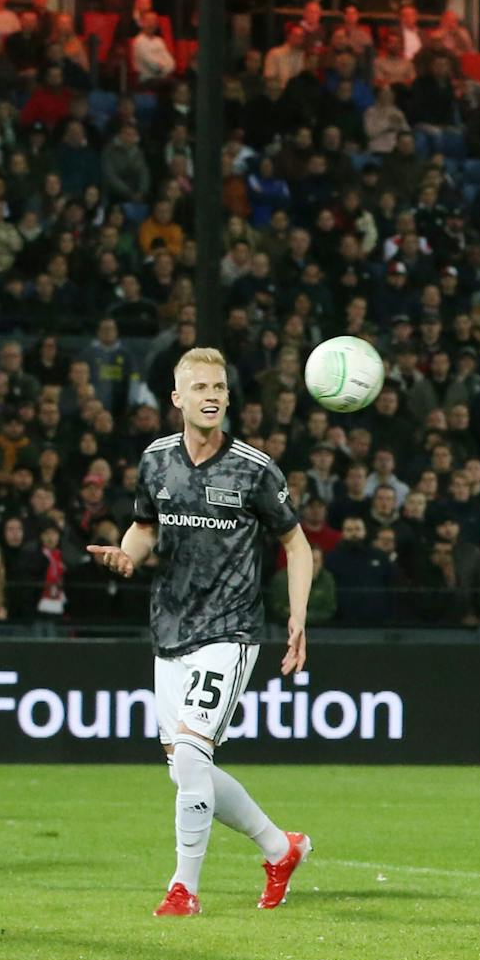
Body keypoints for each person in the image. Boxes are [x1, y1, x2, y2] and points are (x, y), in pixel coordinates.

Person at [87, 347, 313, 917]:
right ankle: (278, 847)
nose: (211, 396)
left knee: (190, 754)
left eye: (220, 387)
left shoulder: (255, 468)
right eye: (201, 387)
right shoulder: (156, 460)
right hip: (170, 627)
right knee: (186, 766)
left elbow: (296, 543)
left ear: (228, 398)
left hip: (230, 629)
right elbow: (143, 528)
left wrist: (297, 615)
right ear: (177, 398)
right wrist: (127, 555)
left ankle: (183, 889)